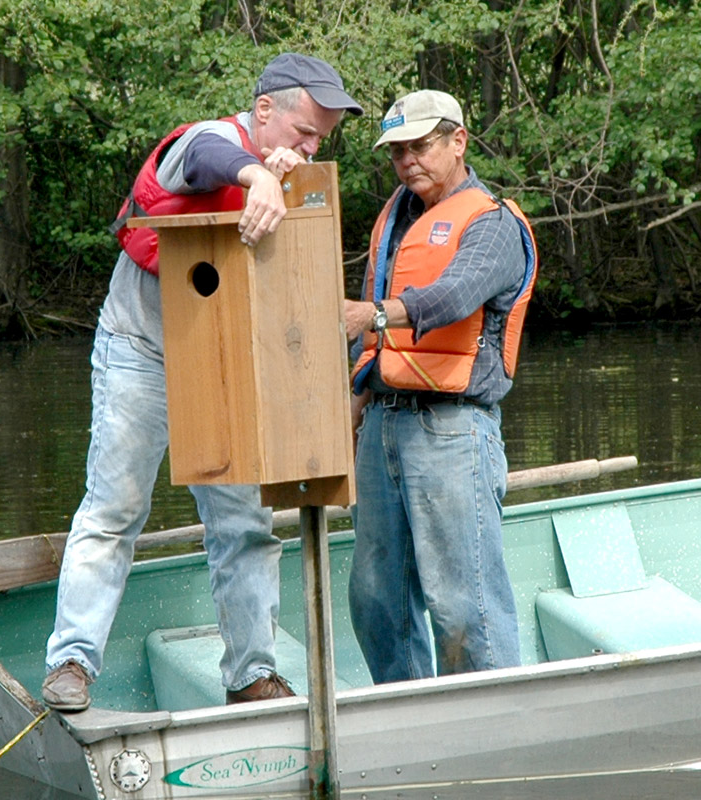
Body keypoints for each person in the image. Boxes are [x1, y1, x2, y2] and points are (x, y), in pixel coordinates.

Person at [42, 53, 363, 712]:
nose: (308, 150)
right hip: (142, 351)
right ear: (264, 110)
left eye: (319, 142)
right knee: (114, 510)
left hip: (223, 365)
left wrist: (282, 181)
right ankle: (72, 661)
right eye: (303, 132)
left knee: (243, 522)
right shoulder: (206, 141)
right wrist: (256, 177)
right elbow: (207, 161)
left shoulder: (294, 177)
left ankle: (251, 675)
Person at [344, 89, 537, 684]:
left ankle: (494, 726)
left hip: (452, 429)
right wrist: (354, 398)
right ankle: (408, 717)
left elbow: (452, 297)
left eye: (420, 146)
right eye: (397, 151)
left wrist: (371, 315)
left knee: (463, 605)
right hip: (382, 424)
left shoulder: (493, 223)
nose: (407, 161)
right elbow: (373, 339)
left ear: (459, 142)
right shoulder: (396, 218)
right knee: (376, 599)